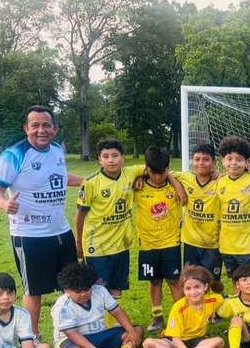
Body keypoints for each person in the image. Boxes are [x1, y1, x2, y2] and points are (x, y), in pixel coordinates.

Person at [0, 105, 84, 343]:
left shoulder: (57, 150)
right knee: (34, 290)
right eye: (35, 125)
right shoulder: (13, 155)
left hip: (61, 232)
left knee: (71, 285)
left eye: (46, 125)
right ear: (26, 128)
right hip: (30, 235)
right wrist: (4, 204)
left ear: (55, 129)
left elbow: (62, 178)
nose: (41, 130)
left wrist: (92, 180)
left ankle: (70, 331)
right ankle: (32, 337)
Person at [76, 138, 185, 328]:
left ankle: (114, 326)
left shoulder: (133, 173)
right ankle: (99, 326)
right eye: (106, 156)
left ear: (123, 158)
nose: (111, 160)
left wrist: (176, 185)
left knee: (118, 288)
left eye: (115, 155)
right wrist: (78, 242)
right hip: (99, 246)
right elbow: (80, 214)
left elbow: (156, 168)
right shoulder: (92, 182)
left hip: (123, 246)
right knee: (99, 288)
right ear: (99, 159)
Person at [134, 147, 183, 333]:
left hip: (171, 242)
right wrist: (140, 176)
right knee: (154, 281)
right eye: (152, 172)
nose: (157, 177)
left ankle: (182, 315)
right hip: (147, 244)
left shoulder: (175, 184)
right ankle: (157, 317)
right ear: (146, 169)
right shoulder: (137, 186)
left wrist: (176, 184)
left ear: (168, 169)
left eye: (162, 173)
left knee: (173, 280)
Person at [142, 266, 226, 348]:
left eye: (197, 287)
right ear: (183, 290)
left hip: (197, 342)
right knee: (148, 344)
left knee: (219, 342)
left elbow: (234, 299)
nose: (193, 292)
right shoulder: (178, 307)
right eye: (188, 288)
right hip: (173, 342)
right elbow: (176, 339)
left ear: (205, 286)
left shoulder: (213, 300)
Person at [217, 136, 250, 293]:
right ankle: (238, 308)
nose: (234, 163)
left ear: (247, 162)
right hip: (228, 245)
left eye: (239, 160)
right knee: (236, 282)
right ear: (223, 161)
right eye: (229, 159)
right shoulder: (220, 181)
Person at [51, 263, 143, 348]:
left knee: (137, 330)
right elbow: (72, 334)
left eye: (87, 289)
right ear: (66, 290)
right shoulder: (62, 306)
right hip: (72, 340)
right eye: (78, 291)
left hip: (100, 334)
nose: (84, 294)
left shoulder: (100, 291)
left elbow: (117, 311)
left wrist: (131, 331)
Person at [174, 144, 223, 295]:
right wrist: (178, 187)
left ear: (214, 163)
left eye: (206, 159)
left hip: (213, 242)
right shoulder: (185, 178)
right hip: (191, 241)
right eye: (197, 159)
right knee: (190, 279)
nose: (201, 163)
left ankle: (221, 298)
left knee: (213, 282)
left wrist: (223, 175)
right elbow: (165, 173)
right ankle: (195, 306)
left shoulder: (221, 181)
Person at [0, 273, 50, 348]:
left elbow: (27, 342)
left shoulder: (22, 313)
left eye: (10, 292)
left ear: (15, 295)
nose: (6, 297)